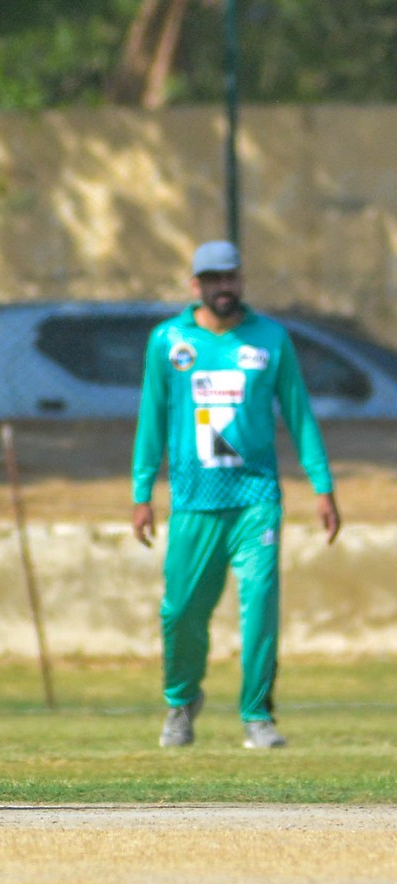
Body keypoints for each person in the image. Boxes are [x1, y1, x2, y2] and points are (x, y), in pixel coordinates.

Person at [132, 239, 340, 750]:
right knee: (181, 611)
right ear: (195, 285)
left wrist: (323, 485)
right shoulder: (168, 341)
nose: (223, 287)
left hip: (256, 498)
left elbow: (299, 414)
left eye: (230, 277)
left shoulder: (270, 339)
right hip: (193, 500)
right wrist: (141, 492)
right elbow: (151, 418)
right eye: (212, 279)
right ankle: (181, 702)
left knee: (261, 607)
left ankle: (257, 716)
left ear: (241, 280)